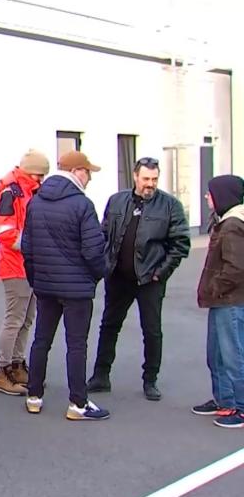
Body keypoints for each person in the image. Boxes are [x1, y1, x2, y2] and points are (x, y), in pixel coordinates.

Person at [86, 157, 190, 401]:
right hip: (118, 277)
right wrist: (103, 264)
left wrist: (160, 272)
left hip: (150, 279)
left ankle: (150, 380)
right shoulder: (117, 201)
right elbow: (104, 234)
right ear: (135, 177)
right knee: (109, 325)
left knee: (152, 331)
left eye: (154, 180)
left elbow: (180, 243)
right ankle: (101, 375)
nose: (150, 185)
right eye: (146, 179)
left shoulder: (170, 205)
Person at [23, 151, 110, 421]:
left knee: (41, 341)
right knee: (76, 345)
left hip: (46, 285)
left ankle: (34, 396)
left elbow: (27, 249)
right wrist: (99, 275)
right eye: (89, 172)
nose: (90, 178)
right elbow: (94, 251)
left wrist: (36, 281)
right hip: (77, 289)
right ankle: (77, 403)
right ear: (77, 172)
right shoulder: (82, 205)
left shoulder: (36, 201)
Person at [0, 150, 50, 396]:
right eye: (39, 175)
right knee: (14, 319)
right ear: (29, 171)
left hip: (28, 264)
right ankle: (2, 370)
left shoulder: (28, 190)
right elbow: (4, 232)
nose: (41, 180)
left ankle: (16, 364)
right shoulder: (12, 191)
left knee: (25, 319)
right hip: (16, 266)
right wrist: (33, 245)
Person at [194, 175, 244, 428]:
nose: (206, 197)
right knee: (217, 354)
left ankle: (241, 406)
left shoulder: (233, 224)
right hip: (222, 301)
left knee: (233, 355)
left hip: (230, 301)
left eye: (209, 193)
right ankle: (225, 400)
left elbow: (236, 267)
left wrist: (216, 287)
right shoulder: (226, 221)